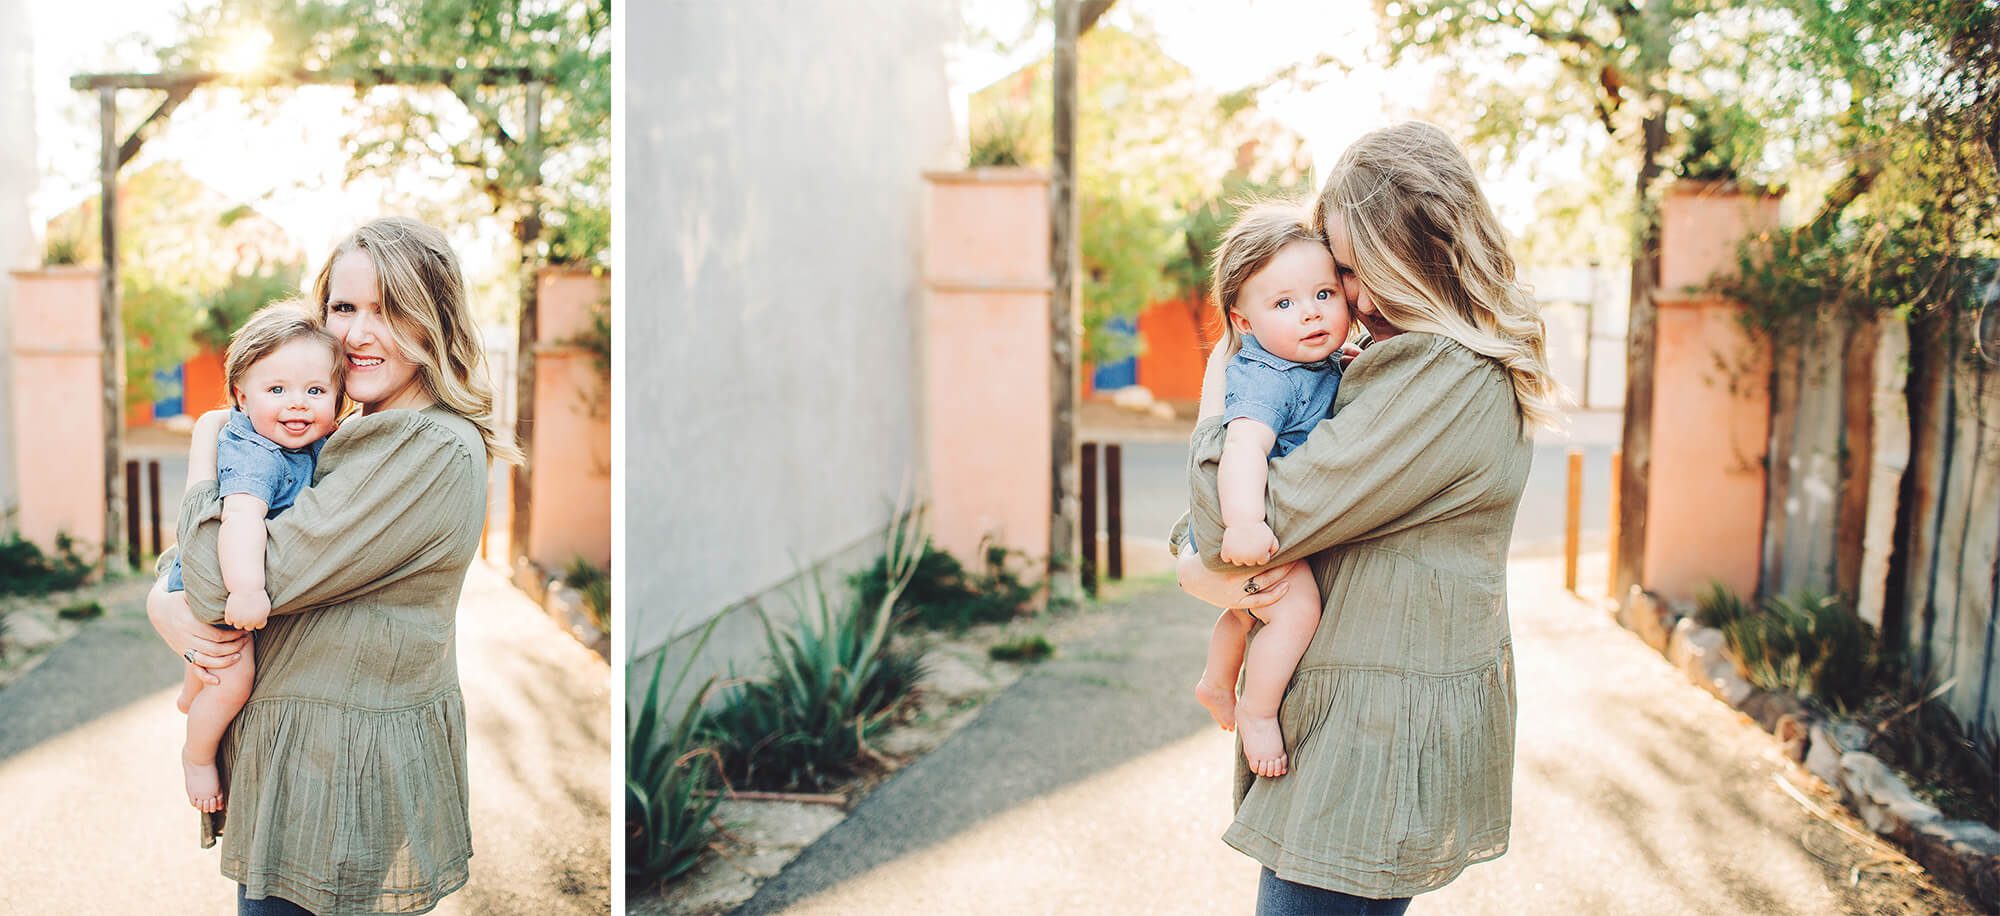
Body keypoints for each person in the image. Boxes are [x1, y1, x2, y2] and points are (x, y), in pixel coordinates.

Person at [1174, 121, 1562, 914]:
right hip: (1347, 725)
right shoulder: (1386, 365)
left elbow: (1226, 529)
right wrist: (1205, 562)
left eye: (1351, 272)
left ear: (1421, 256)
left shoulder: (1446, 376)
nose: (1348, 301)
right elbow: (1226, 539)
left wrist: (1226, 389)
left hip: (1370, 744)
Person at [148, 216, 519, 915]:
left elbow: (217, 581)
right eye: (343, 307)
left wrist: (207, 445)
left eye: (390, 308)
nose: (356, 334)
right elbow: (219, 565)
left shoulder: (425, 450)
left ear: (434, 319)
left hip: (338, 786)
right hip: (301, 771)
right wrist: (161, 602)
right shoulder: (351, 433)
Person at [1184, 201, 1350, 779]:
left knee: (1250, 612)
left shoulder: (1311, 361)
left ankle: (1214, 681)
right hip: (1258, 522)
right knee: (1296, 610)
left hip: (1280, 525)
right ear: (1245, 322)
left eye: (1324, 295)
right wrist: (1245, 523)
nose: (1310, 314)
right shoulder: (1267, 378)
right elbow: (1242, 450)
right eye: (1284, 304)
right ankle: (1258, 712)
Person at [168, 301, 343, 815]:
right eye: (277, 390)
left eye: (315, 391)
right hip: (224, 571)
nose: (297, 405)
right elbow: (241, 518)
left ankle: (190, 690)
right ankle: (196, 755)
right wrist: (246, 588)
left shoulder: (299, 441)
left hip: (225, 566)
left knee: (213, 667)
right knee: (235, 676)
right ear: (241, 396)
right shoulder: (257, 454)